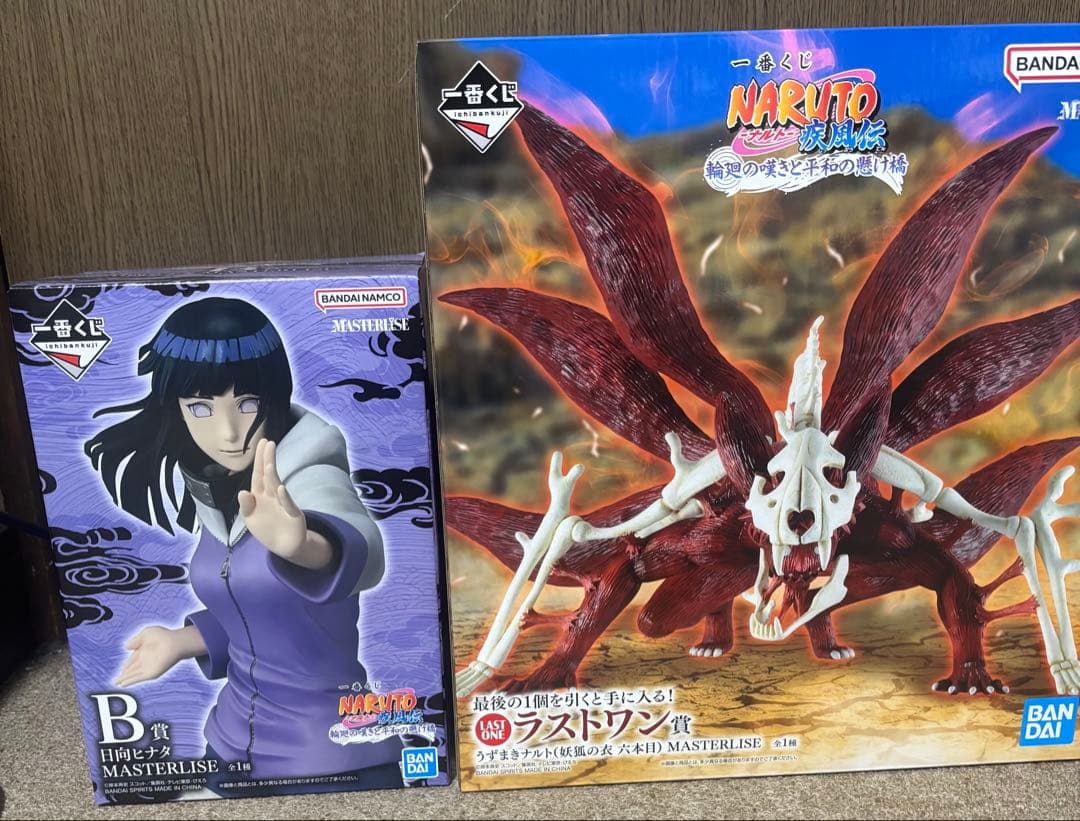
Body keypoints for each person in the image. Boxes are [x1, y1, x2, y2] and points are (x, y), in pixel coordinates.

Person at [85, 296, 403, 791]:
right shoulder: (218, 492)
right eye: (200, 408)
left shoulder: (309, 476)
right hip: (229, 741)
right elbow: (255, 612)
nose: (229, 433)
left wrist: (303, 546)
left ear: (273, 396)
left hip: (327, 749)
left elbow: (363, 554)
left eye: (248, 403)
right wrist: (182, 641)